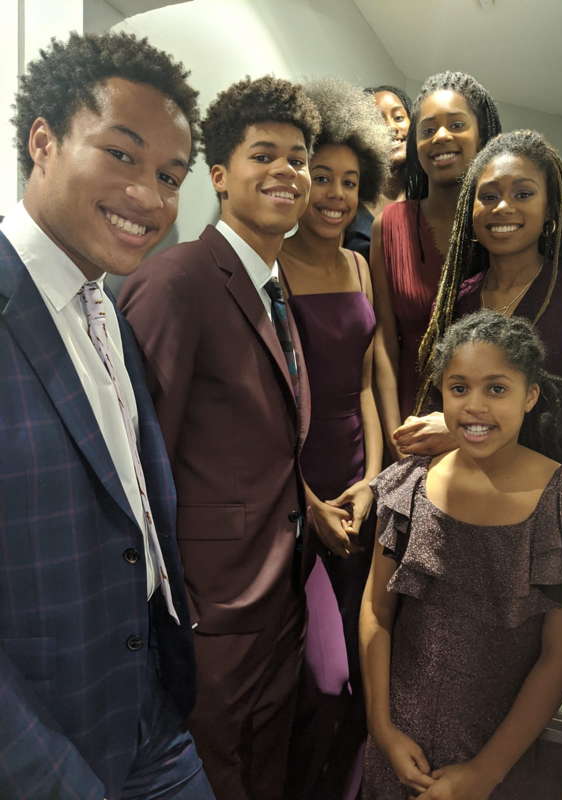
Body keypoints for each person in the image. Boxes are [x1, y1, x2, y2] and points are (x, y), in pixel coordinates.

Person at [0, 32, 215, 799]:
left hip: (150, 717)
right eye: (121, 155)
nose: (151, 198)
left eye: (169, 174)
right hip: (40, 750)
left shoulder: (108, 310)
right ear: (44, 141)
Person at [119, 76, 320, 800]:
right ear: (218, 176)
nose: (286, 172)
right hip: (209, 613)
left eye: (298, 158)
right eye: (263, 154)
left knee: (267, 772)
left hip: (279, 597)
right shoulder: (177, 281)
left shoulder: (273, 285)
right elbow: (138, 470)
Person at [360, 310, 562, 800]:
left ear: (530, 396)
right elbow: (376, 613)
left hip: (499, 750)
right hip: (400, 737)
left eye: (497, 389)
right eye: (459, 388)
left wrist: (486, 770)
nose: (475, 407)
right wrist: (383, 729)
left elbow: (561, 653)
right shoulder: (410, 485)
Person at [279, 78, 388, 800]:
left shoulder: (358, 263)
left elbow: (373, 383)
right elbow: (262, 407)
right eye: (321, 176)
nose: (336, 194)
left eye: (350, 181)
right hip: (298, 499)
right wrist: (309, 498)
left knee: (365, 667)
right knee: (323, 672)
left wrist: (376, 477)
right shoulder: (271, 266)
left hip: (362, 491)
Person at [399, 129, 562, 460]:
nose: (503, 207)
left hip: (536, 495)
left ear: (549, 209)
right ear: (471, 209)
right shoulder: (457, 299)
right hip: (463, 485)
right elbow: (441, 400)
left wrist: (460, 431)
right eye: (488, 196)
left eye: (523, 194)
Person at [370, 71, 502, 442]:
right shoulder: (389, 224)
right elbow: (383, 338)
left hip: (489, 433)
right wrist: (396, 436)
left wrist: (463, 430)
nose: (441, 136)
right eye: (427, 129)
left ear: (482, 135)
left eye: (457, 124)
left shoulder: (504, 224)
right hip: (407, 429)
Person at [343, 84, 412, 262]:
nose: (391, 127)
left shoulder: (430, 194)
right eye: (378, 121)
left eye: (398, 117)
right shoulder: (347, 201)